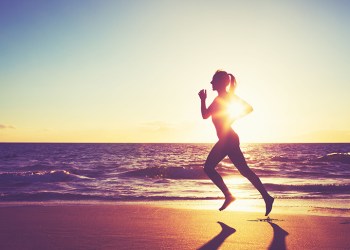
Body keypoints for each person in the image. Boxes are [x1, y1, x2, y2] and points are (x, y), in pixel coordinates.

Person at [198, 70, 274, 216]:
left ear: (220, 82)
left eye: (213, 80)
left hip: (228, 139)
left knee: (208, 167)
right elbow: (205, 115)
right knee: (244, 171)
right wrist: (202, 99)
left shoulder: (228, 97)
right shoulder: (218, 99)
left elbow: (249, 108)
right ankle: (266, 197)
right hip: (228, 138)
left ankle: (229, 196)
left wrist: (231, 119)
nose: (211, 83)